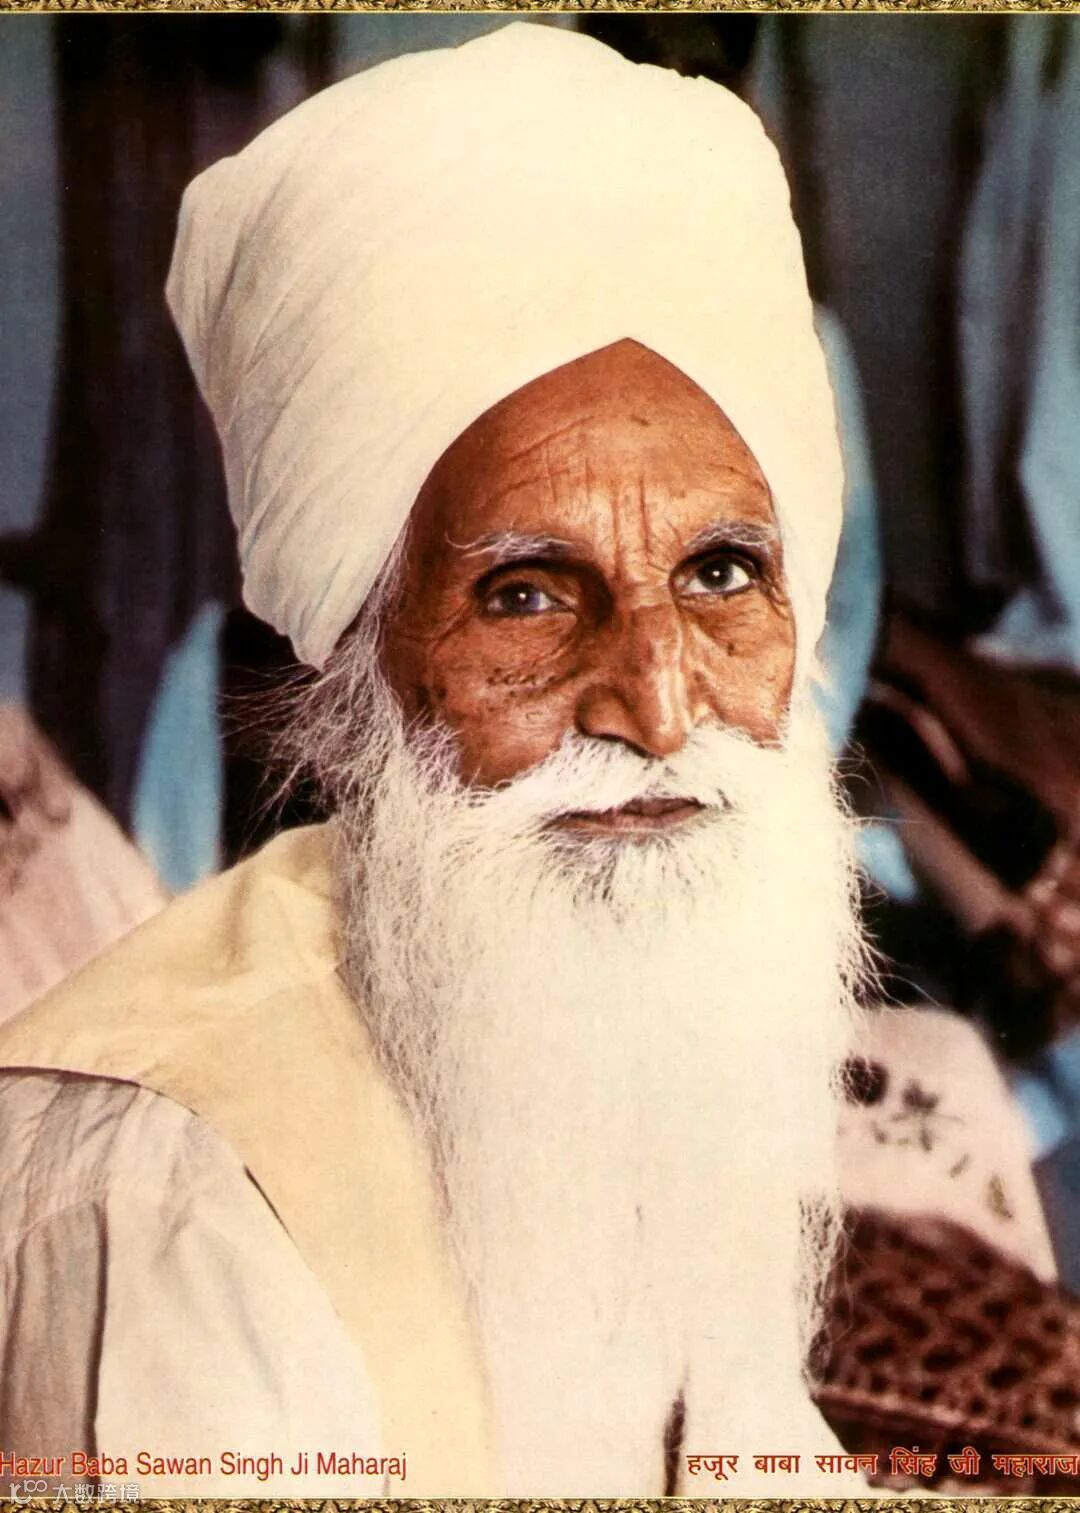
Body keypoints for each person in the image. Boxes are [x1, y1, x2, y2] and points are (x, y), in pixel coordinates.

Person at [0, 22, 869, 1499]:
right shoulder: (183, 1199)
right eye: (525, 594)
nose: (660, 708)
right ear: (359, 664)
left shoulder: (638, 1009)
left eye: (722, 572)